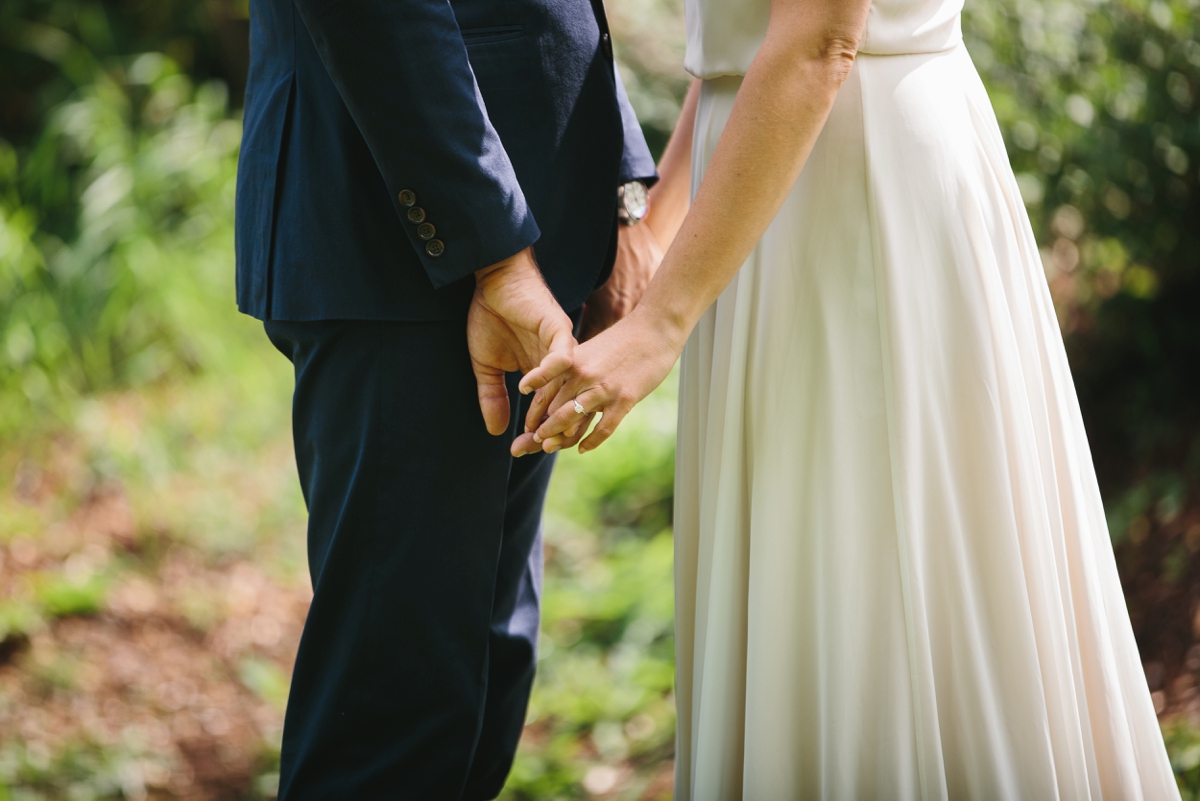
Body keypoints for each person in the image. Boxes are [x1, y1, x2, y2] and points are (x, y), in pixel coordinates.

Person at [518, 0, 1182, 796]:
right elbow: (748, 49)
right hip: (765, 179)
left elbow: (821, 39)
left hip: (860, 186)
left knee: (882, 587)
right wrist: (656, 246)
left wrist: (663, 322)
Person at [232, 0, 668, 795]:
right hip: (398, 238)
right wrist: (491, 253)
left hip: (538, 236)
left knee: (486, 681)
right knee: (393, 724)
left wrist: (618, 189)